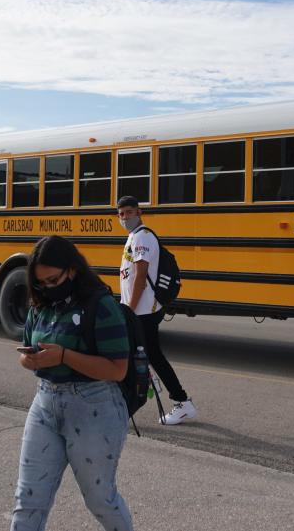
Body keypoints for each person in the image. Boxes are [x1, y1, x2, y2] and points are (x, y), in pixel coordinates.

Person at [11, 235, 133, 531]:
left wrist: (64, 356)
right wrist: (32, 360)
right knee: (28, 501)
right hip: (45, 403)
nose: (48, 288)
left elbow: (117, 370)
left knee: (100, 500)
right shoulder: (41, 304)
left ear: (72, 271)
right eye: (41, 283)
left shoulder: (100, 305)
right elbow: (26, 351)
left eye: (54, 280)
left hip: (94, 405)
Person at [116, 195, 196, 426]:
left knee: (149, 355)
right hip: (138, 308)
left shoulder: (142, 237)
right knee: (143, 354)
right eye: (121, 214)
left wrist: (129, 310)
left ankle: (181, 402)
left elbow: (141, 276)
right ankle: (159, 387)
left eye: (129, 213)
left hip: (143, 310)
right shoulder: (133, 237)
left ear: (139, 213)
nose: (125, 218)